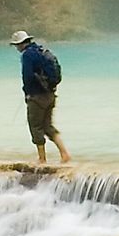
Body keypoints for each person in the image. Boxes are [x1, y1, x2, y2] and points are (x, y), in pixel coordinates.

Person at [10, 29, 70, 164]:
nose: (16, 48)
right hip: (50, 94)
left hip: (36, 96)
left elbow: (28, 76)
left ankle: (42, 158)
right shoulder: (42, 51)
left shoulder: (27, 55)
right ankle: (64, 153)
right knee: (48, 126)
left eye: (16, 45)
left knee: (35, 126)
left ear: (20, 44)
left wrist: (27, 93)